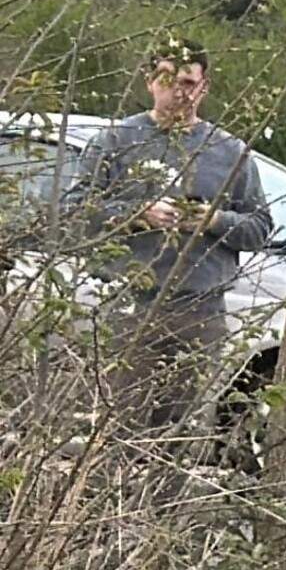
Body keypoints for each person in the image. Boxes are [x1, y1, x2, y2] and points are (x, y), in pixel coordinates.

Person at [63, 39, 271, 433]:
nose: (179, 91)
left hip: (200, 310)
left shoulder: (229, 152)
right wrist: (138, 214)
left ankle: (167, 496)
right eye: (168, 79)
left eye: (189, 82)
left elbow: (259, 227)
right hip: (129, 305)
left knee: (179, 435)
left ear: (204, 87)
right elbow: (77, 213)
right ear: (149, 82)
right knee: (118, 429)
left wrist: (212, 220)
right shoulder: (117, 141)